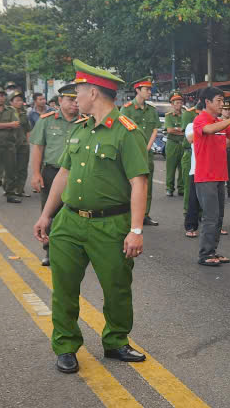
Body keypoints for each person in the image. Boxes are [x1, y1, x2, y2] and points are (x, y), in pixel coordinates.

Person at [32, 59, 149, 374]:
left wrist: (135, 230)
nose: (75, 97)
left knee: (116, 287)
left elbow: (139, 182)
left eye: (79, 90)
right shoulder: (79, 130)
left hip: (110, 224)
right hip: (69, 221)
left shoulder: (126, 133)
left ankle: (115, 341)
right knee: (65, 288)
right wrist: (46, 215)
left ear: (94, 93)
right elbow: (63, 175)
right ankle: (66, 346)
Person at [191, 86, 230, 266]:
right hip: (206, 177)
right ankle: (205, 254)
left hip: (220, 176)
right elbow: (209, 130)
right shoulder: (200, 120)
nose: (221, 104)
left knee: (218, 217)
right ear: (207, 102)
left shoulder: (220, 122)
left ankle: (213, 251)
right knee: (210, 217)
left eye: (222, 101)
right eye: (218, 101)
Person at [29, 83, 80, 266]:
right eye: (70, 99)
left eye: (77, 100)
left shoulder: (85, 122)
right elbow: (38, 148)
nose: (75, 104)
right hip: (51, 172)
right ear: (60, 100)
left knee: (75, 213)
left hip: (76, 174)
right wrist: (36, 174)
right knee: (49, 213)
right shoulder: (47, 120)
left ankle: (72, 251)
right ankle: (49, 251)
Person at [118, 77, 161, 226]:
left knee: (146, 186)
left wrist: (147, 147)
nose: (149, 92)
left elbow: (155, 129)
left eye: (150, 89)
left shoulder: (152, 110)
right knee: (130, 185)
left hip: (146, 153)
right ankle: (128, 214)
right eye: (147, 89)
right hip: (131, 153)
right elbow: (122, 130)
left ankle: (145, 215)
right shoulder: (127, 108)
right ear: (137, 90)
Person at [162, 92, 186, 196]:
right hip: (172, 144)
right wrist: (181, 130)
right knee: (170, 167)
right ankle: (169, 188)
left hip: (183, 143)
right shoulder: (169, 116)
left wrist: (178, 130)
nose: (179, 105)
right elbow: (170, 130)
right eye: (176, 103)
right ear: (172, 104)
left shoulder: (185, 115)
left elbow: (187, 129)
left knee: (182, 167)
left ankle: (181, 188)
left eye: (180, 102)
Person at [10, 92, 32, 196]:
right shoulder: (7, 114)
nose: (20, 102)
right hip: (10, 144)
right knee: (11, 168)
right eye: (17, 100)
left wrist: (27, 142)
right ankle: (9, 189)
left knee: (22, 168)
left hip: (23, 144)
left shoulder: (24, 115)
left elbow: (28, 130)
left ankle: (19, 189)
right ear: (11, 102)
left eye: (21, 100)